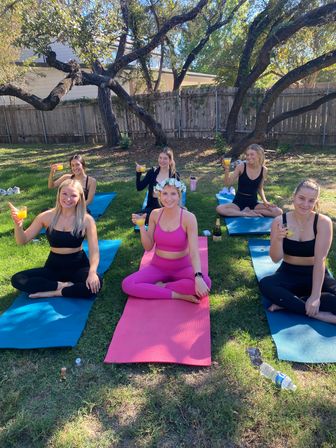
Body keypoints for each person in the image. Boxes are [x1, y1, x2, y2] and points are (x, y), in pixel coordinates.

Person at [9, 178, 102, 299]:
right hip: (54, 266)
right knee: (17, 279)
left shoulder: (87, 220)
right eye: (64, 194)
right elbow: (22, 240)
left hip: (78, 265)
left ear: (79, 198)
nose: (68, 199)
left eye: (73, 195)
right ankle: (62, 285)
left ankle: (54, 292)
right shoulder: (46, 216)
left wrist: (92, 272)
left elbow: (94, 250)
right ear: (59, 194)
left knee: (96, 284)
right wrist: (18, 225)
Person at [122, 178, 211, 304]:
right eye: (165, 193)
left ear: (179, 195)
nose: (168, 198)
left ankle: (162, 287)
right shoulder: (154, 214)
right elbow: (148, 247)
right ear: (159, 195)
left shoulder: (189, 218)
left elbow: (194, 252)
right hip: (158, 266)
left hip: (182, 267)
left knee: (205, 282)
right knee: (128, 284)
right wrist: (142, 226)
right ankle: (178, 295)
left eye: (173, 193)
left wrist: (198, 276)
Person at [259, 179, 336, 324]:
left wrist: (315, 296)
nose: (305, 204)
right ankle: (317, 314)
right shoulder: (279, 221)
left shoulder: (323, 222)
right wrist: (278, 239)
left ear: (316, 202)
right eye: (301, 198)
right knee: (266, 284)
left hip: (315, 273)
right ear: (294, 196)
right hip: (289, 273)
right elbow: (276, 258)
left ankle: (290, 303)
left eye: (311, 200)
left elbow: (320, 261)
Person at [216, 144, 282, 217]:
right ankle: (245, 213)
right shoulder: (241, 166)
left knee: (278, 211)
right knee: (220, 208)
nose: (248, 157)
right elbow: (227, 183)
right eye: (247, 155)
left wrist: (265, 201)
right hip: (239, 202)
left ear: (259, 155)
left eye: (252, 154)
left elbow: (260, 188)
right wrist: (227, 169)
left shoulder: (264, 170)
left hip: (253, 202)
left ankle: (251, 211)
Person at [135, 147, 180, 224]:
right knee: (137, 217)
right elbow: (139, 187)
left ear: (170, 160)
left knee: (163, 218)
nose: (162, 161)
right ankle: (159, 220)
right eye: (160, 158)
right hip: (152, 208)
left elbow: (177, 196)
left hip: (167, 207)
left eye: (165, 158)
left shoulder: (174, 175)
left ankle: (161, 220)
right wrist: (138, 173)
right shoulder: (152, 172)